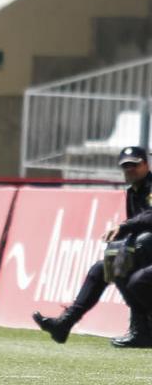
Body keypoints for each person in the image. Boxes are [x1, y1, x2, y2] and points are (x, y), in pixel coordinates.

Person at [33, 146, 152, 348]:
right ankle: (65, 323)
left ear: (145, 164)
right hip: (146, 251)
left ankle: (142, 330)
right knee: (104, 267)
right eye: (126, 167)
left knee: (132, 276)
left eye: (134, 165)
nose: (130, 170)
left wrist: (124, 227)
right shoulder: (133, 191)